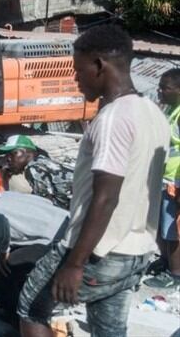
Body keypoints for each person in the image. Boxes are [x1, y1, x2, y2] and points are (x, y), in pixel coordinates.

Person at [17, 25, 170, 337]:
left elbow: (106, 198)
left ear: (99, 65)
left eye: (78, 70)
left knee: (31, 307)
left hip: (98, 249)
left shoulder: (114, 118)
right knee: (108, 330)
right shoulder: (152, 113)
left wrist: (75, 264)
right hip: (136, 249)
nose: (76, 79)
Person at [0, 192, 69, 324]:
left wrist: (2, 254)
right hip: (63, 221)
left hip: (55, 237)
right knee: (7, 267)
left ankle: (15, 318)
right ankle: (11, 308)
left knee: (0, 271)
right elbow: (46, 201)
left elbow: (0, 227)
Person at [147, 68, 180, 288]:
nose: (160, 91)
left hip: (174, 183)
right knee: (160, 227)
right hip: (164, 178)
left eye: (165, 87)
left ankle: (175, 274)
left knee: (172, 232)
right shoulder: (172, 110)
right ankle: (166, 261)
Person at [0, 135, 74, 210]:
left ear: (27, 152)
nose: (8, 158)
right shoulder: (42, 160)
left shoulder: (34, 168)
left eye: (13, 153)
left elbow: (45, 204)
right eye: (7, 155)